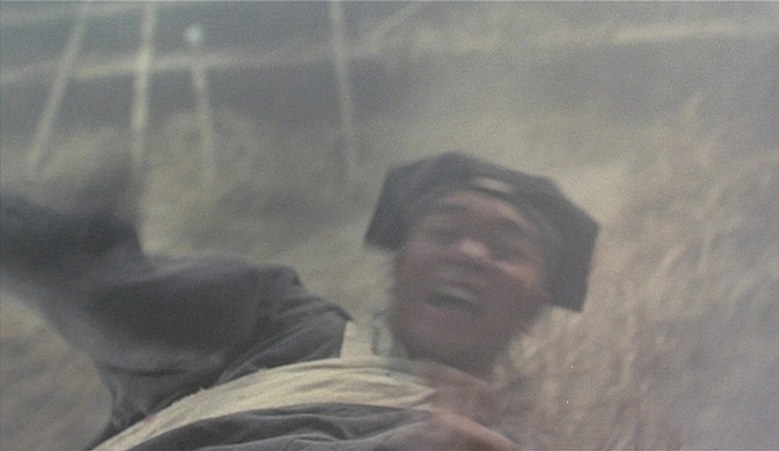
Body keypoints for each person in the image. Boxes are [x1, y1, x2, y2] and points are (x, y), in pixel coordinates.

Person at [0, 152, 598, 450]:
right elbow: (99, 289)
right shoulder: (272, 316)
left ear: (534, 307)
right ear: (400, 265)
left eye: (504, 249)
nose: (468, 254)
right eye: (444, 231)